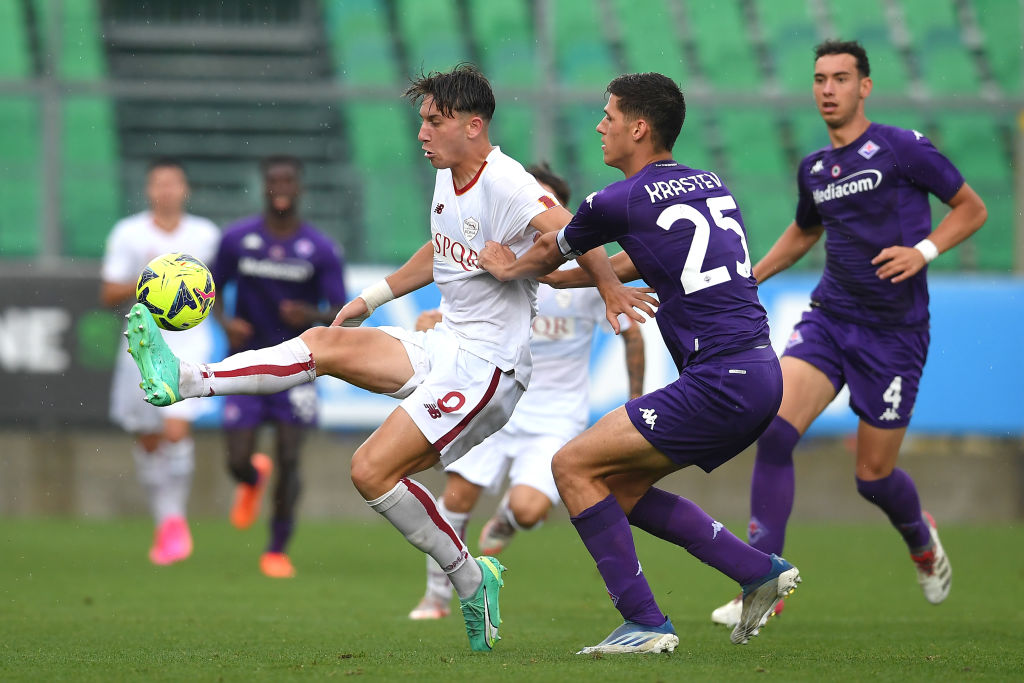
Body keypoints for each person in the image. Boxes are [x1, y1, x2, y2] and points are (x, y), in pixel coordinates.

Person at [122, 64, 648, 652]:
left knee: (370, 471)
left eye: (434, 121)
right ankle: (185, 380)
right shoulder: (451, 173)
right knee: (323, 342)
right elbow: (442, 248)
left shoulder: (509, 181)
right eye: (420, 120)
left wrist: (607, 288)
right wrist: (375, 296)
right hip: (444, 344)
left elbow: (575, 229)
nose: (421, 133)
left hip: (488, 370)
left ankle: (470, 578)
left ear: (474, 126)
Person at [478, 72, 802, 654]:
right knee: (618, 485)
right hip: (758, 370)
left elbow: (554, 244)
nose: (600, 126)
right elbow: (630, 261)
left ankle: (645, 622)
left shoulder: (616, 199)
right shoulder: (709, 184)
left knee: (572, 466)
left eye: (608, 115)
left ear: (639, 126)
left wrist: (509, 266)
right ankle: (755, 570)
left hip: (719, 378)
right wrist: (564, 277)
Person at [708, 39, 987, 627]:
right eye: (819, 79)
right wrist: (751, 275)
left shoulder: (902, 148)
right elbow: (806, 231)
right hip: (830, 318)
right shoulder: (815, 168)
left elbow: (970, 207)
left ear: (865, 86)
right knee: (776, 431)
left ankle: (919, 536)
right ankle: (763, 580)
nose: (828, 89)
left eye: (840, 78)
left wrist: (924, 250)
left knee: (872, 476)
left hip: (894, 334)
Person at [408, 163, 646, 620]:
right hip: (495, 401)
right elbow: (457, 318)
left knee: (531, 508)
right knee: (456, 497)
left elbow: (631, 335)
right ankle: (435, 597)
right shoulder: (491, 258)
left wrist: (634, 397)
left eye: (545, 205)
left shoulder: (584, 273)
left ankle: (510, 520)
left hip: (556, 415)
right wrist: (430, 325)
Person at [212, 155, 348, 579]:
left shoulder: (320, 248)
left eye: (289, 180)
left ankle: (276, 549)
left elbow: (340, 312)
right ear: (265, 187)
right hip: (248, 361)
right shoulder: (237, 239)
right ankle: (251, 478)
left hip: (300, 367)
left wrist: (308, 311)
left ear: (300, 187)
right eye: (274, 181)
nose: (282, 187)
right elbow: (210, 288)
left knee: (290, 458)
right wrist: (224, 321)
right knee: (236, 459)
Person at [101, 157, 220, 565]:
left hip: (191, 340)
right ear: (149, 190)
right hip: (141, 340)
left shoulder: (205, 235)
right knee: (148, 437)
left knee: (175, 428)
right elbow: (108, 292)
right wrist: (151, 283)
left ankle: (175, 522)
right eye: (158, 184)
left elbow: (215, 290)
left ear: (185, 189)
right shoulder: (129, 233)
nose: (166, 191)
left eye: (173, 183)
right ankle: (165, 520)